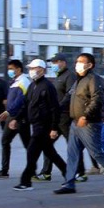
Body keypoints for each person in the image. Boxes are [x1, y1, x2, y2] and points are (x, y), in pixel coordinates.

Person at [53, 53, 104, 194]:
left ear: (90, 65)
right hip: (75, 123)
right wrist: (57, 109)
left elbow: (98, 99)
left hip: (88, 123)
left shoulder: (94, 79)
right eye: (77, 61)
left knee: (97, 153)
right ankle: (69, 184)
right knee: (72, 153)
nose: (77, 64)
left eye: (81, 62)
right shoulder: (78, 80)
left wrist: (85, 116)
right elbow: (69, 97)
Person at [13, 60, 66, 191]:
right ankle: (69, 175)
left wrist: (54, 127)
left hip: (44, 126)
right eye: (30, 68)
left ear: (42, 70)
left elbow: (54, 108)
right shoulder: (32, 86)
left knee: (32, 153)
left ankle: (25, 182)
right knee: (51, 153)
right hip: (36, 125)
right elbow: (26, 105)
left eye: (34, 68)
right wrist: (16, 118)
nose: (31, 70)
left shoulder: (47, 86)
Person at [34, 53, 77, 182]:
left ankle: (78, 172)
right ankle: (46, 172)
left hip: (65, 117)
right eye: (52, 62)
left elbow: (70, 94)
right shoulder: (58, 77)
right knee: (47, 145)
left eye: (55, 62)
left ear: (63, 62)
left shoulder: (69, 76)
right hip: (56, 118)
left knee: (72, 146)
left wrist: (59, 107)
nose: (53, 65)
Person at [0, 60, 31, 179]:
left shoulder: (24, 82)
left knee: (28, 145)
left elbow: (21, 101)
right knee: (5, 141)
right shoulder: (14, 82)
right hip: (12, 116)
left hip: (21, 117)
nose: (9, 71)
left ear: (18, 69)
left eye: (11, 69)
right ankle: (4, 170)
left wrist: (10, 113)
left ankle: (31, 170)